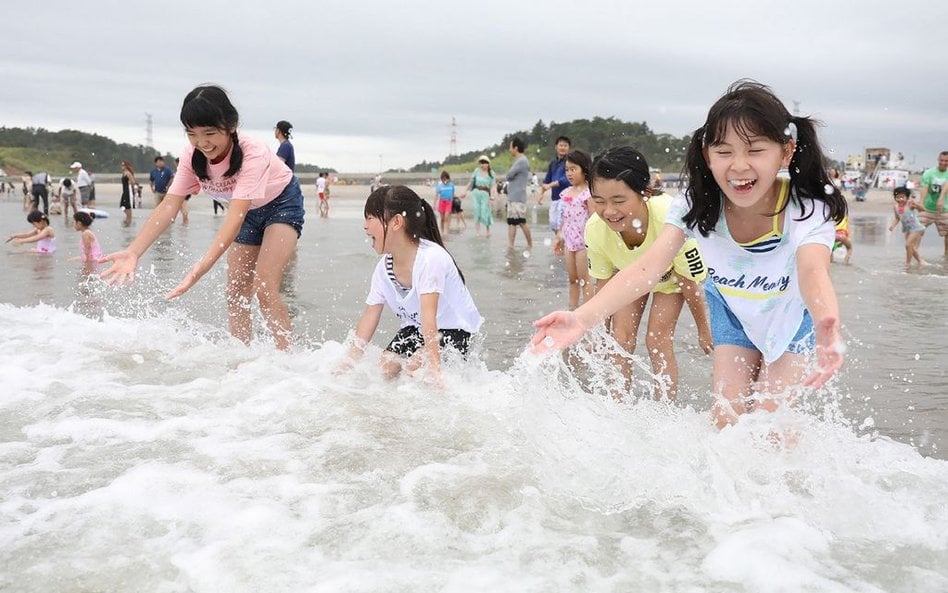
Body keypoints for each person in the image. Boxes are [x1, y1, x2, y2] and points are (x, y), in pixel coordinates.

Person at [532, 80, 847, 429]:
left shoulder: (806, 209)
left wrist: (825, 320)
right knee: (727, 424)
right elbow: (649, 267)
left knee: (773, 430)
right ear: (707, 154)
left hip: (790, 319)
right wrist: (582, 318)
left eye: (755, 150)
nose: (739, 166)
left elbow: (813, 271)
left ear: (786, 152)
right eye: (724, 152)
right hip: (733, 312)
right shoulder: (697, 205)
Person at [100, 84, 306, 351]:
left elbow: (235, 216)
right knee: (235, 292)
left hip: (281, 202)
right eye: (192, 134)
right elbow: (169, 205)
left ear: (231, 126)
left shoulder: (252, 152)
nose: (202, 142)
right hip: (246, 211)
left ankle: (287, 359)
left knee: (265, 287)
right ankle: (240, 358)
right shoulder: (191, 156)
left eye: (210, 133)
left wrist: (200, 268)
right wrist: (134, 251)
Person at [583, 146, 712, 399]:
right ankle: (617, 407)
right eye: (599, 201)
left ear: (646, 192)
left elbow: (689, 283)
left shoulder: (671, 218)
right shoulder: (595, 229)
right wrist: (594, 330)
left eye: (619, 201)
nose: (609, 211)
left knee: (657, 340)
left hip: (671, 279)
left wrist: (703, 329)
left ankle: (663, 409)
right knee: (619, 339)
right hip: (629, 276)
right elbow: (603, 284)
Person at [340, 185, 482, 386]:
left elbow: (429, 317)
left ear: (397, 222)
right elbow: (370, 315)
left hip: (456, 329)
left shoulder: (430, 259)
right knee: (384, 368)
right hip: (415, 327)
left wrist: (435, 371)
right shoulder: (383, 268)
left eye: (370, 217)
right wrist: (348, 362)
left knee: (414, 368)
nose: (365, 226)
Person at [557, 150, 594, 309]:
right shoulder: (566, 193)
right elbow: (565, 217)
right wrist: (559, 235)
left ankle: (587, 314)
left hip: (583, 243)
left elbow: (593, 219)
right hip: (569, 241)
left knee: (585, 280)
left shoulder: (588, 194)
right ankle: (571, 310)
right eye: (567, 170)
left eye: (573, 169)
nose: (569, 173)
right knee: (572, 280)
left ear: (584, 170)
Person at [537, 136, 572, 254]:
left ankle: (563, 250)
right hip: (555, 199)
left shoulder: (570, 162)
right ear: (556, 147)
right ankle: (561, 249)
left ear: (568, 148)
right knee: (554, 225)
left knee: (563, 226)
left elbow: (566, 179)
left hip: (566, 199)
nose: (563, 148)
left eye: (565, 145)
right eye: (561, 145)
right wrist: (541, 194)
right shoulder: (553, 163)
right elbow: (547, 179)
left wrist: (550, 185)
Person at [917, 151, 948, 256]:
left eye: (946, 161)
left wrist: (941, 198)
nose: (944, 163)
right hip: (927, 208)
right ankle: (914, 257)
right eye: (942, 160)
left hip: (944, 209)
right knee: (917, 231)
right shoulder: (929, 173)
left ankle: (946, 258)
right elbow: (924, 188)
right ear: (938, 160)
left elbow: (946, 186)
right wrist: (921, 202)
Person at [504, 137, 533, 250]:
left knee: (520, 221)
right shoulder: (521, 160)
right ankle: (511, 245)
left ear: (515, 148)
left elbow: (509, 175)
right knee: (513, 221)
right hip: (515, 196)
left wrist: (509, 173)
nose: (509, 149)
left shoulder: (521, 161)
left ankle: (529, 244)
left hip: (517, 196)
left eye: (510, 147)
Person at [888, 186, 926, 266]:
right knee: (911, 247)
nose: (900, 199)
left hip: (916, 228)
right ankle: (921, 261)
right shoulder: (895, 207)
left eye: (902, 197)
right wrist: (892, 226)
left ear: (907, 197)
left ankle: (908, 263)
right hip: (907, 229)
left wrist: (916, 204)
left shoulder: (910, 204)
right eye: (897, 197)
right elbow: (897, 218)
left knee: (908, 245)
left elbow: (923, 209)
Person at [464, 155, 496, 236]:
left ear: (488, 164)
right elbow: (471, 181)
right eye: (481, 163)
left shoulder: (491, 173)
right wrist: (465, 191)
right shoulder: (476, 171)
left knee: (485, 211)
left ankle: (488, 230)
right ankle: (477, 232)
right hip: (476, 193)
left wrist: (492, 196)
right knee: (477, 211)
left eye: (485, 163)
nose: (483, 165)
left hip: (485, 193)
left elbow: (493, 186)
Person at [434, 170, 457, 236]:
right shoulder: (440, 186)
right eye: (443, 179)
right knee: (442, 219)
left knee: (446, 217)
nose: (445, 180)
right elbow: (436, 195)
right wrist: (434, 204)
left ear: (448, 178)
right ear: (441, 179)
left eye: (446, 178)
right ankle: (442, 231)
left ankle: (447, 231)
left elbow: (452, 194)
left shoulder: (451, 185)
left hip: (449, 202)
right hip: (442, 202)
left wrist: (453, 202)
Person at [119, 161, 138, 226]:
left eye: (123, 165)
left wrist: (134, 189)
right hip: (124, 191)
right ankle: (128, 219)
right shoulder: (124, 173)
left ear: (126, 166)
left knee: (128, 206)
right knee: (122, 206)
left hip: (128, 191)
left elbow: (133, 181)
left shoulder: (128, 173)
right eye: (121, 165)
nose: (122, 166)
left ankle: (129, 220)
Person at [173, 158, 190, 225]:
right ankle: (185, 221)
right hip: (183, 191)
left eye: (176, 163)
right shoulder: (181, 169)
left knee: (183, 207)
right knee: (181, 207)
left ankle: (185, 221)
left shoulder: (183, 170)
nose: (175, 165)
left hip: (184, 191)